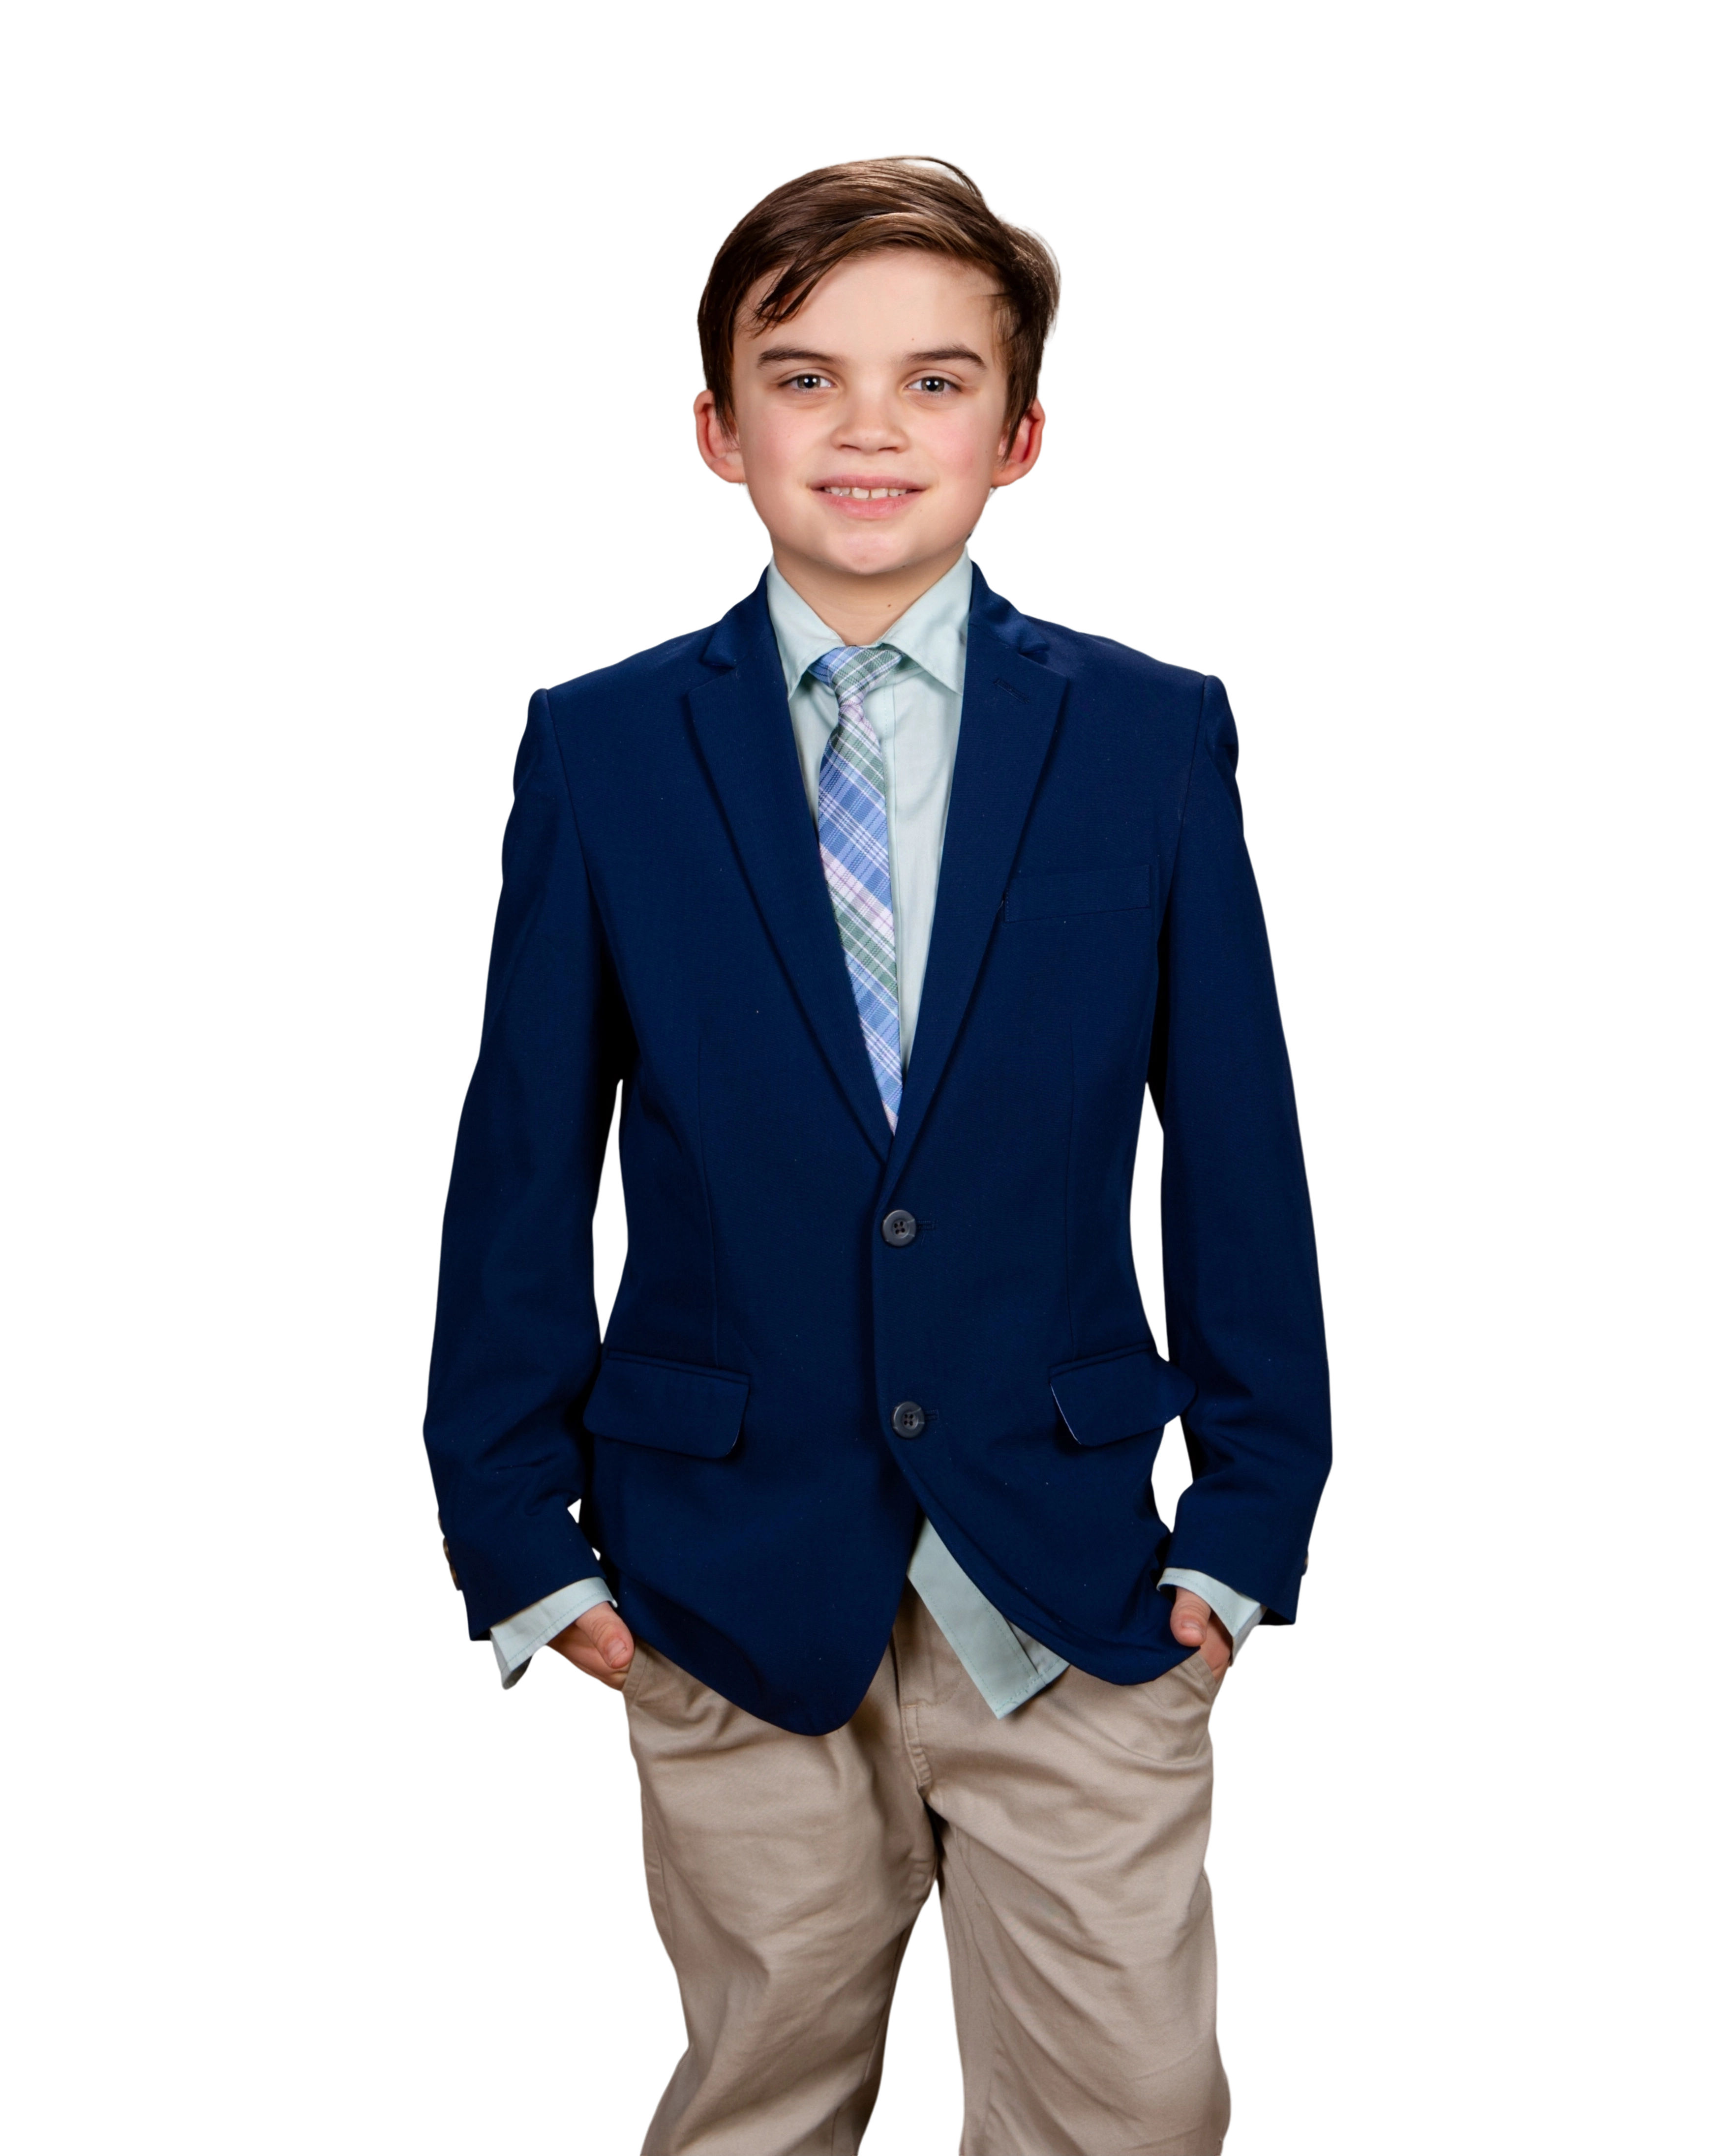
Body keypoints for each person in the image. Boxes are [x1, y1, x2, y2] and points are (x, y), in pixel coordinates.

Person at [421, 152, 1332, 2156]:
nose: (867, 429)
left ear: (1020, 436)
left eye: (935, 381)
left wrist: (1244, 1527)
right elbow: (523, 1165)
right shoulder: (601, 746)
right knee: (760, 2100)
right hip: (720, 1582)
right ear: (717, 429)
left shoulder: (1151, 736)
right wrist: (524, 1539)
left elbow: (1240, 1148)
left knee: (1134, 2108)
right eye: (805, 376)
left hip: (1079, 1582)